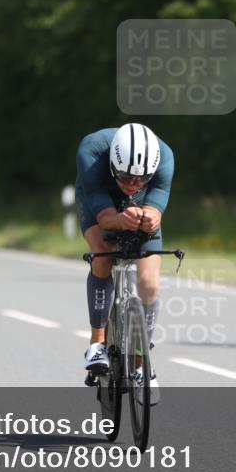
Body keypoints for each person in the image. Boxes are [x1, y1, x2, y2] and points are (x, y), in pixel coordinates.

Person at [76, 124, 174, 399]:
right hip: (99, 195)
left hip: (141, 204)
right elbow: (105, 217)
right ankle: (97, 342)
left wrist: (152, 214)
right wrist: (118, 219)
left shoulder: (165, 157)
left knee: (149, 284)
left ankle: (142, 363)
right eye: (126, 177)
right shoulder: (92, 150)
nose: (132, 184)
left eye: (140, 179)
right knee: (103, 249)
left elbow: (157, 202)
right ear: (113, 165)